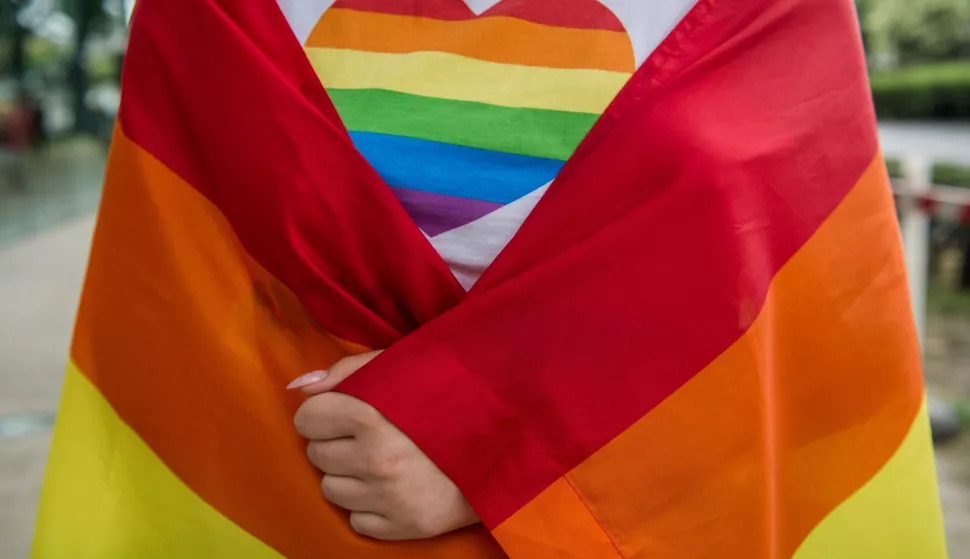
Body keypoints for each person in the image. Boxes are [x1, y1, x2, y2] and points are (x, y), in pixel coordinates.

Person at [32, 0, 948, 557]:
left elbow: (796, 303)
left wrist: (488, 436)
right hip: (276, 504)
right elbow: (176, 297)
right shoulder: (208, 11)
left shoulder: (775, 13)